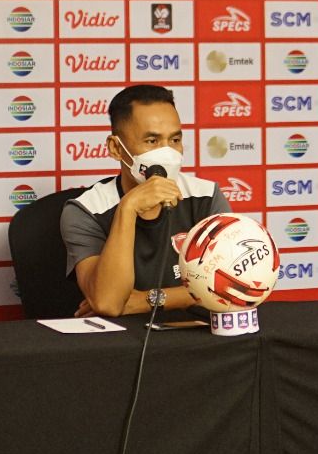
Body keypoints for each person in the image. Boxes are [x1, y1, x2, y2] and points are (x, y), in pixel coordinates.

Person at [61, 84, 230, 316]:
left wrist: (146, 300)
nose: (168, 152)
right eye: (152, 141)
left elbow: (233, 286)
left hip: (195, 333)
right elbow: (110, 303)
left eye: (174, 140)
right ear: (116, 148)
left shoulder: (206, 196)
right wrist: (127, 209)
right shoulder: (86, 210)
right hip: (120, 341)